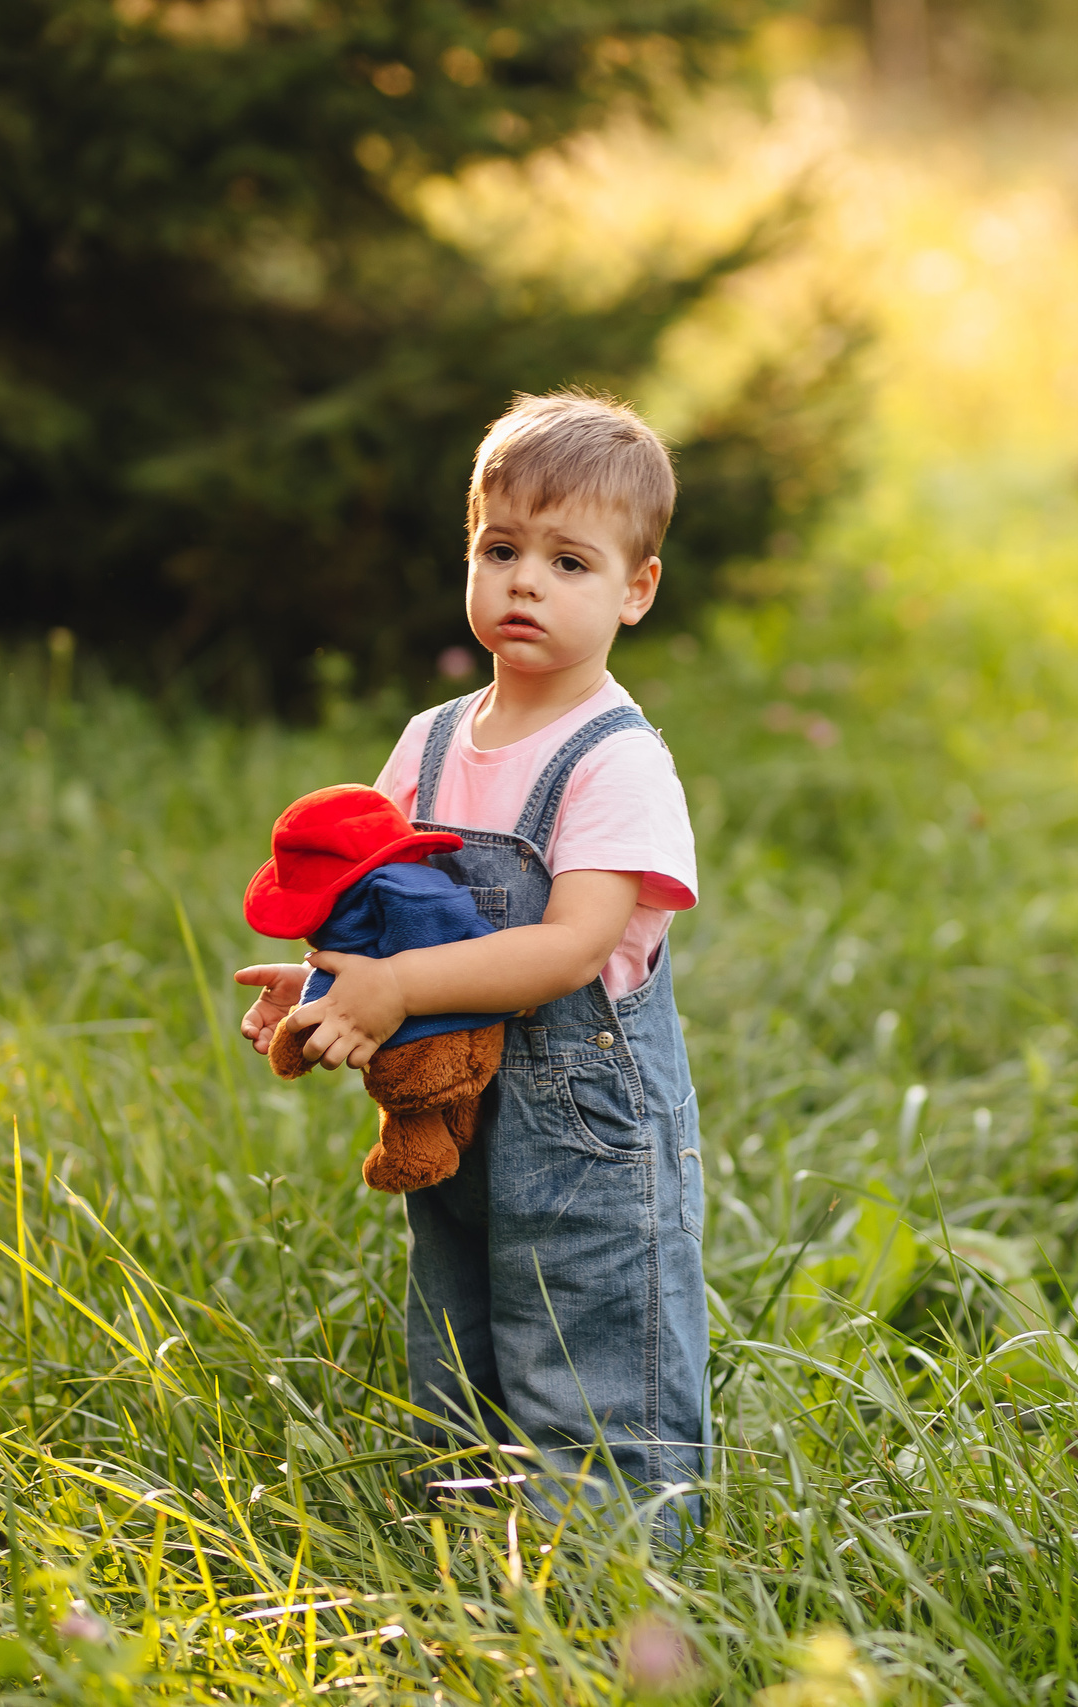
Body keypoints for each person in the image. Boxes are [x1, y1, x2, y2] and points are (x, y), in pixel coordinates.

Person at [232, 390, 705, 1541]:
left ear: (635, 591)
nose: (526, 581)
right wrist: (332, 984)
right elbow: (385, 914)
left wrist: (400, 993)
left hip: (587, 1120)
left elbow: (568, 943)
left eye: (569, 561)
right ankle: (472, 1549)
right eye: (501, 550)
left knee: (587, 1323)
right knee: (462, 1320)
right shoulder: (432, 740)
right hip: (456, 1102)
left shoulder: (615, 759)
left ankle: (610, 1574)